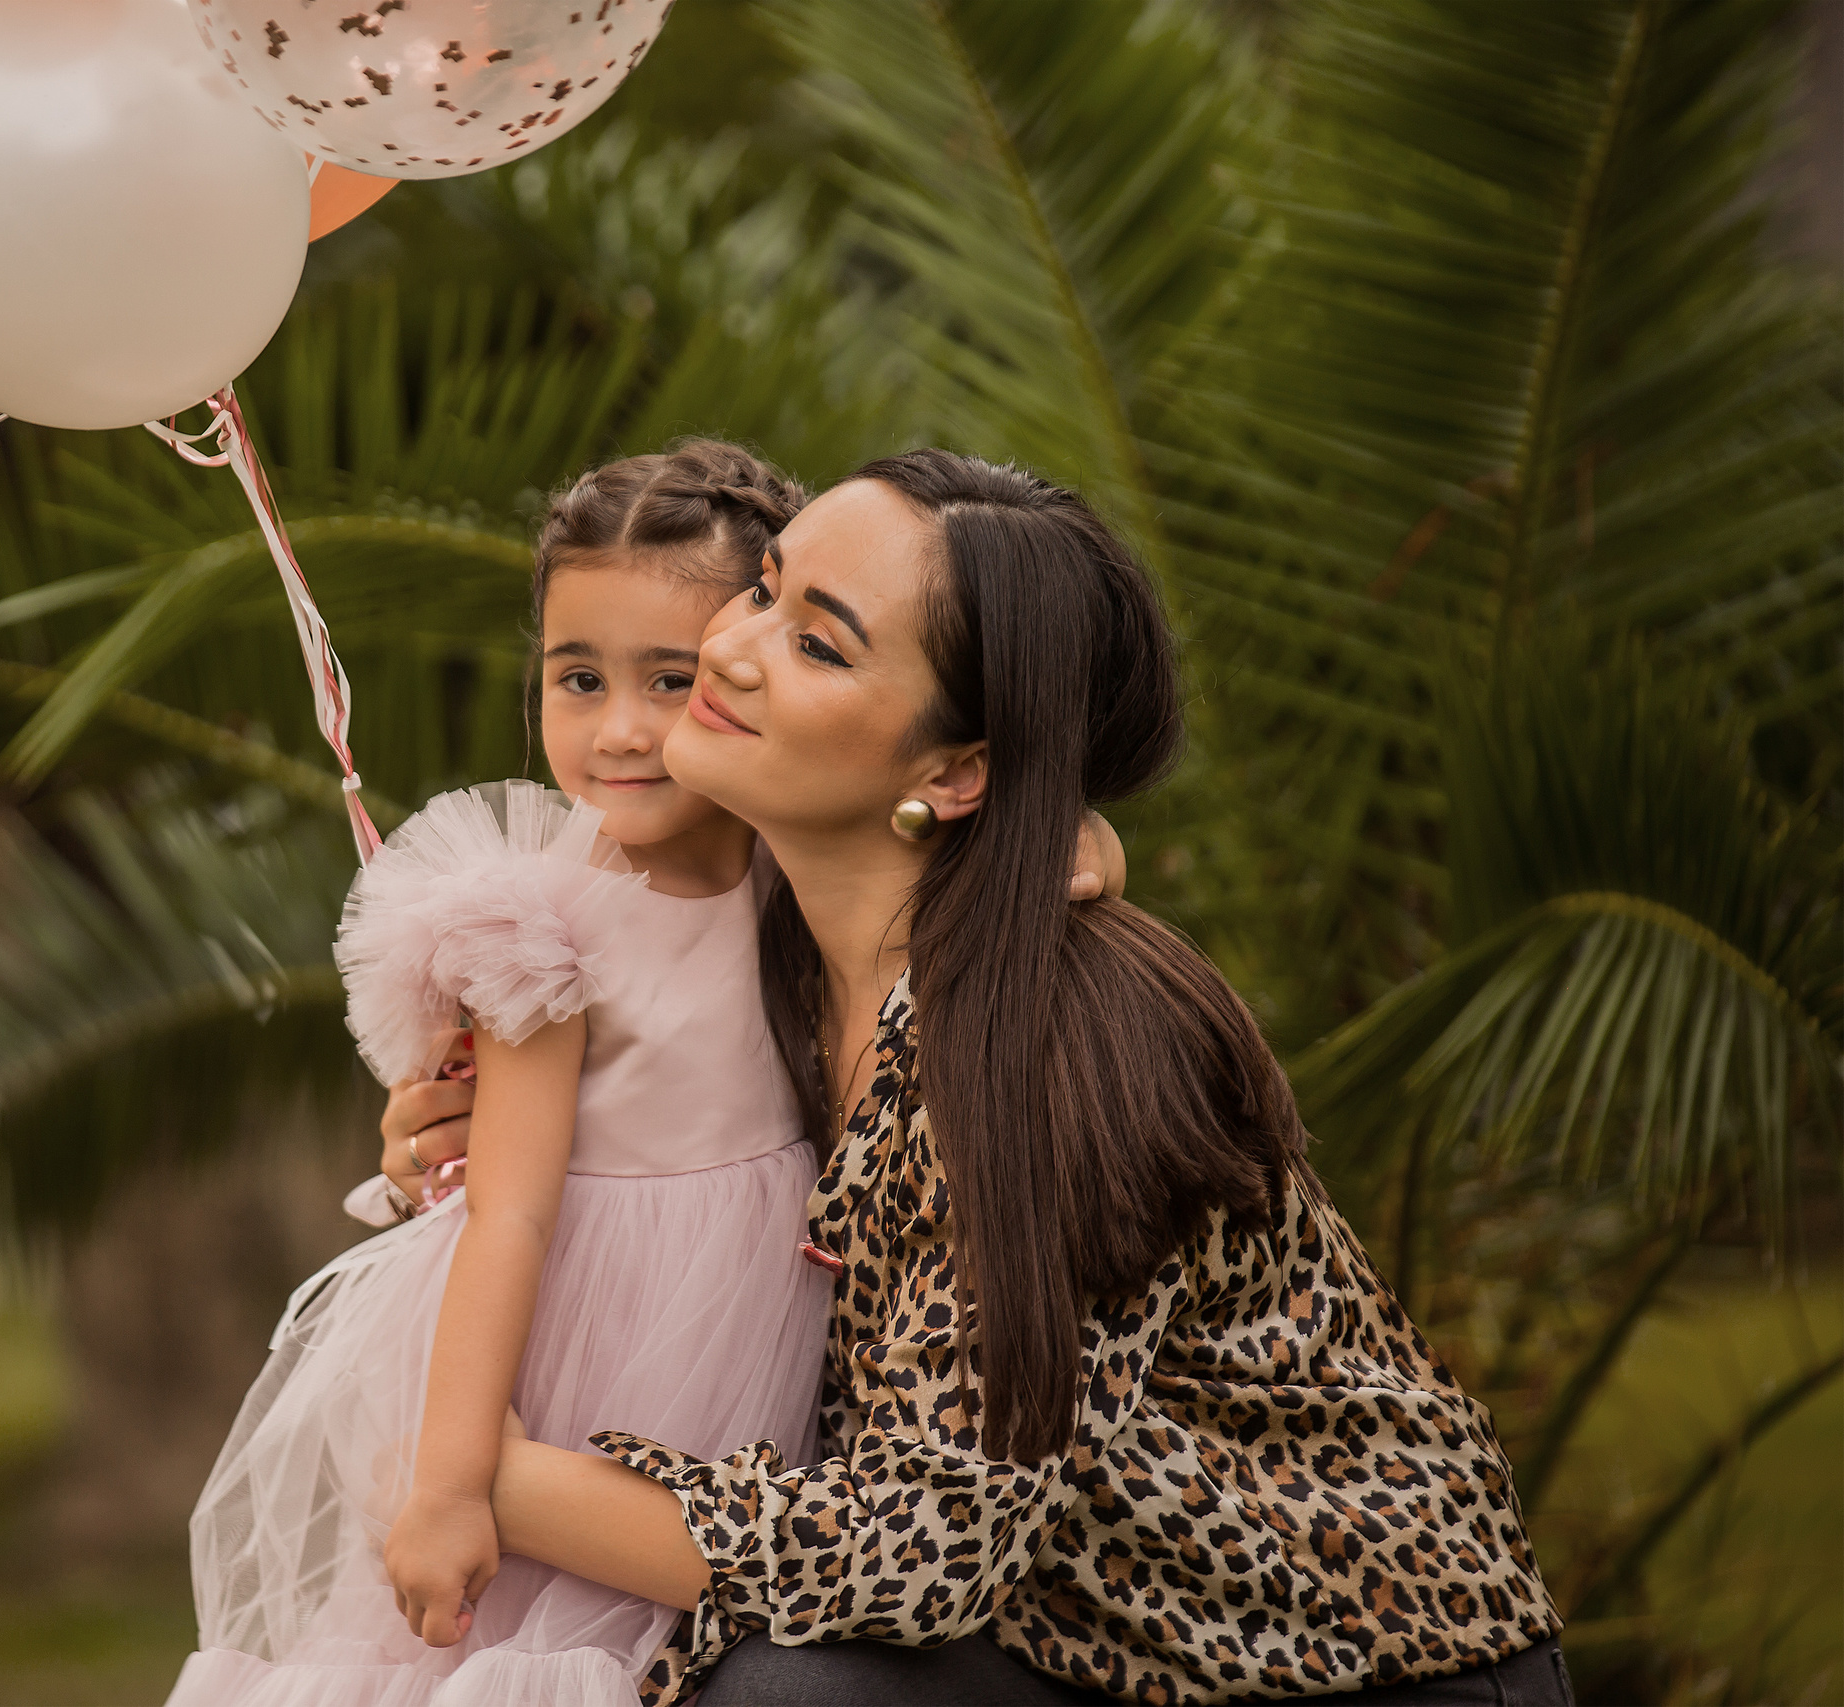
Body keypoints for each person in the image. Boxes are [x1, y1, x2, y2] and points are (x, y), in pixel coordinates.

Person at [383, 453, 1570, 1705]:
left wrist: (496, 1479)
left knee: (780, 1694)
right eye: (768, 593)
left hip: (1338, 1666)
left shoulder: (1051, 1039)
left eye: (820, 648)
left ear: (955, 773)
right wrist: (456, 1122)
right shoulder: (776, 940)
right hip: (1070, 1637)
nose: (730, 648)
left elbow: (922, 1550)